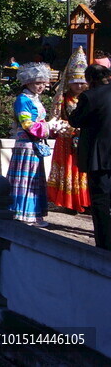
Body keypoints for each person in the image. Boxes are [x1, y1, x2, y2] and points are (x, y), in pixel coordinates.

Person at [69, 63, 111, 250]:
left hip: (98, 155)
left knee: (100, 199)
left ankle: (104, 243)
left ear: (90, 79)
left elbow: (75, 120)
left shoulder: (89, 96)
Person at [8, 63, 53, 226]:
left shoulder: (35, 99)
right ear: (28, 83)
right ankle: (23, 213)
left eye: (43, 83)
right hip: (26, 146)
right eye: (37, 83)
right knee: (25, 181)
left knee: (33, 180)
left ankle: (33, 213)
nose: (41, 86)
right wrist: (49, 126)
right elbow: (27, 124)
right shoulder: (23, 99)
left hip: (34, 146)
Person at [48, 47, 90, 213]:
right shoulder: (63, 98)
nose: (79, 85)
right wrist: (68, 127)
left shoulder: (88, 98)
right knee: (67, 167)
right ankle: (66, 201)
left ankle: (82, 201)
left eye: (82, 82)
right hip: (66, 140)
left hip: (83, 139)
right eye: (75, 82)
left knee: (81, 170)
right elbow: (55, 118)